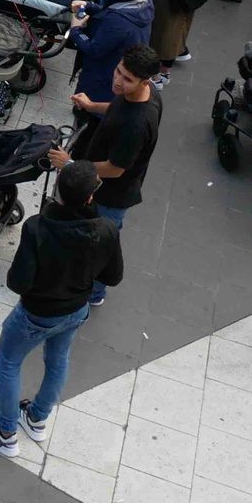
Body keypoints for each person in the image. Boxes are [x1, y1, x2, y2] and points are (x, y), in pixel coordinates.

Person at [0, 160, 122, 460]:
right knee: (58, 361)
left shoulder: (38, 227)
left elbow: (18, 281)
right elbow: (112, 277)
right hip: (75, 312)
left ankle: (5, 433)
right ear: (90, 198)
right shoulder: (106, 229)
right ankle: (36, 418)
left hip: (36, 313)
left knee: (9, 362)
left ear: (57, 191)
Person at [57, 42, 160, 307]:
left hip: (111, 195)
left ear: (145, 81)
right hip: (106, 187)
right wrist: (92, 106)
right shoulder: (142, 94)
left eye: (127, 79)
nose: (118, 81)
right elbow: (117, 107)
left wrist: (71, 165)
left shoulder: (137, 124)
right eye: (118, 71)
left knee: (99, 247)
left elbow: (115, 168)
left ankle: (94, 295)